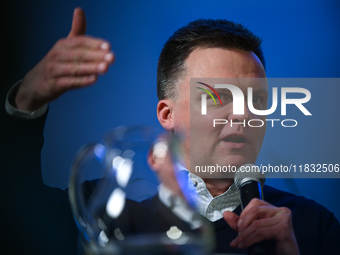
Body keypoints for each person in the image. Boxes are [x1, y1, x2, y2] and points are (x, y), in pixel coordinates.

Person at [1, 7, 339, 255]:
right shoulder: (105, 209)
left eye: (257, 99)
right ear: (167, 113)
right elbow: (15, 211)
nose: (243, 113)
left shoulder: (313, 227)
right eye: (218, 97)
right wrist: (27, 99)